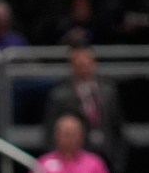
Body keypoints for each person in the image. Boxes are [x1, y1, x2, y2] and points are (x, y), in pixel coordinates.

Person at [42, 44, 128, 173]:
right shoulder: (60, 94)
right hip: (74, 157)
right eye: (79, 63)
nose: (83, 66)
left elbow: (117, 127)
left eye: (87, 61)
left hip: (108, 152)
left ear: (94, 63)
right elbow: (50, 132)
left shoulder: (109, 90)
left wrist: (119, 160)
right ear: (72, 65)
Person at [37, 112, 110, 173]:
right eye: (67, 134)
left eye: (75, 134)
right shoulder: (43, 163)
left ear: (82, 136)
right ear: (57, 136)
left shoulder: (95, 163)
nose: (71, 138)